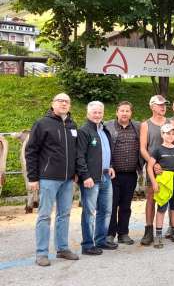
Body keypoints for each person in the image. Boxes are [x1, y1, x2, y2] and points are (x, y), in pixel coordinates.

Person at [25, 93, 80, 266]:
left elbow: (75, 151)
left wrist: (75, 172)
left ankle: (62, 248)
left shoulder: (72, 124)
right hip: (48, 178)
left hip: (67, 179)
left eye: (67, 101)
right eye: (60, 101)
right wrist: (33, 177)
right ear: (52, 104)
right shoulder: (42, 124)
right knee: (44, 215)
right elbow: (31, 151)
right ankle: (41, 253)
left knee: (64, 214)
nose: (64, 103)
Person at [76, 101, 117, 255]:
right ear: (88, 113)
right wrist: (85, 176)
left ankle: (101, 240)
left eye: (100, 112)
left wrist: (111, 165)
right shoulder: (84, 131)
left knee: (106, 211)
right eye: (94, 112)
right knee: (89, 212)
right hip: (91, 179)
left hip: (106, 176)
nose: (98, 115)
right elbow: (79, 156)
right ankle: (87, 244)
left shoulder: (104, 130)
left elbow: (107, 151)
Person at [139, 95, 174, 245]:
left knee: (172, 199)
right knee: (151, 199)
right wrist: (152, 163)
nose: (163, 107)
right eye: (160, 105)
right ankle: (148, 231)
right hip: (153, 167)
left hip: (170, 168)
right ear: (152, 106)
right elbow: (142, 147)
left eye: (164, 105)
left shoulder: (171, 122)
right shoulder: (146, 125)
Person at [105, 101, 140, 245]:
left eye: (127, 111)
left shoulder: (137, 127)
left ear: (131, 113)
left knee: (126, 205)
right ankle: (110, 234)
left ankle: (123, 233)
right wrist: (108, 165)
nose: (124, 113)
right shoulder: (107, 126)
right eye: (122, 111)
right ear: (116, 112)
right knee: (112, 205)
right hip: (113, 173)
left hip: (131, 173)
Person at [148, 123, 174, 248]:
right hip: (163, 182)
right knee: (161, 208)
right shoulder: (158, 149)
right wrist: (154, 182)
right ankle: (158, 235)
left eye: (172, 133)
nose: (170, 136)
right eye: (167, 133)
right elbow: (150, 167)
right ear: (162, 134)